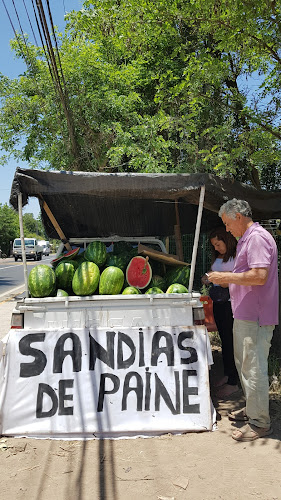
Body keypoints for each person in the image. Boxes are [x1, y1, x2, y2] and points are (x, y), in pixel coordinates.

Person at [208, 199, 278, 442]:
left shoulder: (257, 238)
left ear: (238, 216)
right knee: (246, 367)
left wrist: (227, 276)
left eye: (227, 223)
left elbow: (259, 276)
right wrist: (229, 280)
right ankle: (253, 410)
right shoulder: (247, 239)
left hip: (256, 317)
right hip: (246, 314)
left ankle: (260, 424)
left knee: (254, 369)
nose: (227, 229)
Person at [202, 226, 238, 398]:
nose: (216, 248)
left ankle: (234, 381)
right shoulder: (219, 257)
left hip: (231, 303)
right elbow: (211, 272)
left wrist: (220, 279)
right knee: (224, 340)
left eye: (218, 244)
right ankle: (228, 373)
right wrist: (207, 277)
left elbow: (235, 280)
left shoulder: (236, 256)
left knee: (231, 342)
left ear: (226, 240)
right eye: (214, 246)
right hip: (218, 302)